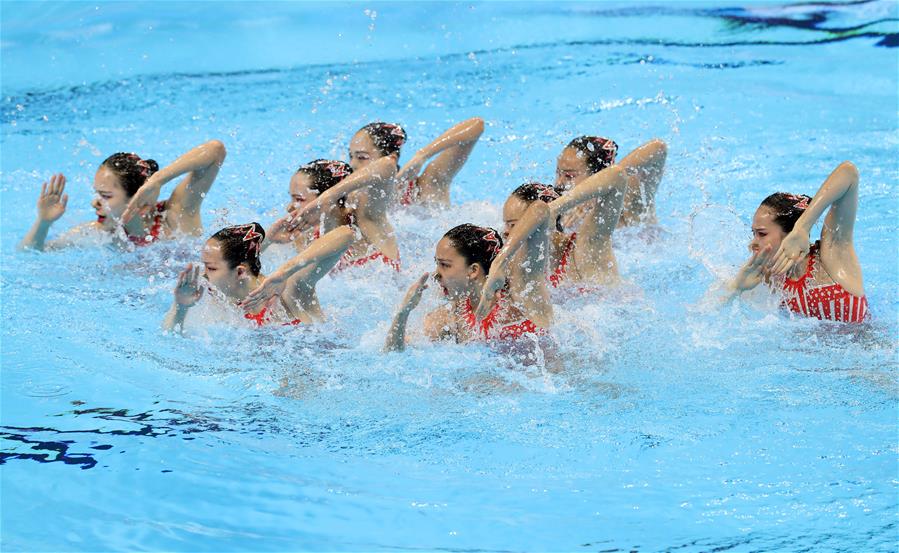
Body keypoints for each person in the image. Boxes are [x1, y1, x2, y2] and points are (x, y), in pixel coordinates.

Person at [384, 202, 553, 352]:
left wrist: (500, 262)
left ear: (473, 270)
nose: (436, 274)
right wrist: (403, 313)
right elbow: (394, 354)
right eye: (437, 263)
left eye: (445, 265)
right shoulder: (452, 316)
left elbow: (540, 210)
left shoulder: (522, 296)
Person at [723, 161, 868, 323]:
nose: (752, 243)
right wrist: (735, 288)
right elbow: (703, 315)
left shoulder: (833, 257)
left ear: (790, 234)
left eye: (762, 234)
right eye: (754, 233)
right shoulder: (766, 276)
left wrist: (803, 228)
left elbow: (849, 173)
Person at [19, 140, 226, 251]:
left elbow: (215, 150)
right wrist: (43, 223)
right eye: (97, 194)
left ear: (138, 198)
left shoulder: (175, 216)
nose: (95, 203)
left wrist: (157, 181)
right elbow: (32, 251)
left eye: (106, 196)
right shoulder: (104, 232)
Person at [163, 223, 353, 331]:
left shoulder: (289, 291)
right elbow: (170, 341)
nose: (203, 275)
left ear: (239, 271)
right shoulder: (219, 297)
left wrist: (284, 272)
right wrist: (181, 307)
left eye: (211, 268)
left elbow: (345, 234)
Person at [502, 165, 627, 289]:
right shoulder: (517, 264)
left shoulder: (584, 249)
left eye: (513, 225)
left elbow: (617, 175)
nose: (505, 232)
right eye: (506, 224)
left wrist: (555, 208)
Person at [283, 156, 401, 272]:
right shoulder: (304, 239)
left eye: (299, 199)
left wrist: (329, 196)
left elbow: (388, 165)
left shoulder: (367, 221)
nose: (289, 207)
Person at [348, 118, 484, 208]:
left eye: (362, 157)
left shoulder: (424, 187)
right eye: (351, 156)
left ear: (391, 159)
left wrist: (422, 155)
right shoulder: (351, 199)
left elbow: (476, 125)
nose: (352, 164)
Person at [555, 136, 667, 230]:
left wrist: (592, 190)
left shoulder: (628, 201)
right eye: (558, 173)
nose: (559, 183)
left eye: (569, 176)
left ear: (597, 175)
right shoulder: (563, 212)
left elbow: (658, 147)